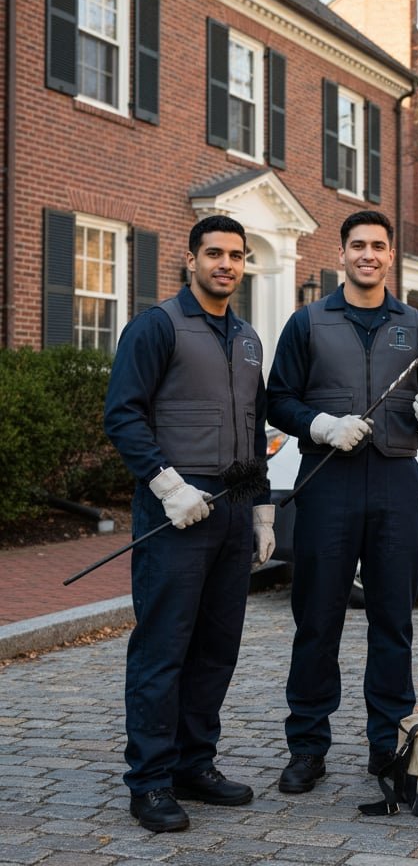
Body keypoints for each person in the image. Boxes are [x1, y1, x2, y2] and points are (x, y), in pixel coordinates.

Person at [267, 209, 418, 794]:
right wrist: (319, 425)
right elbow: (278, 400)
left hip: (397, 484)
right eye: (357, 245)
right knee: (316, 620)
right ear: (340, 253)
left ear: (390, 256)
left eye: (378, 246)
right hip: (328, 482)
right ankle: (307, 747)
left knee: (392, 622)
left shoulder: (417, 326)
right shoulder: (308, 323)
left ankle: (387, 745)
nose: (368, 254)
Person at [104, 214, 274, 833]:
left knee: (215, 650)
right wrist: (166, 485)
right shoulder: (156, 327)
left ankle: (193, 765)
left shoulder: (251, 339)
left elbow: (255, 428)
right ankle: (149, 781)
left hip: (231, 512)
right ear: (191, 259)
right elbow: (123, 415)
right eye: (214, 254)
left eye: (235, 255)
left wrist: (261, 507)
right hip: (174, 513)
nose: (225, 264)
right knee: (163, 649)